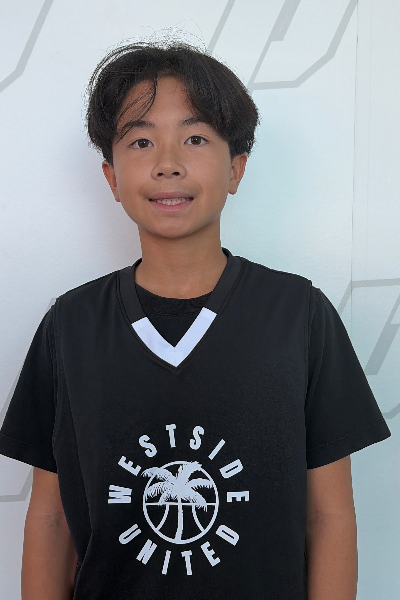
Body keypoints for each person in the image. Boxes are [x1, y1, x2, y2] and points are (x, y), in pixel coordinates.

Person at [0, 40, 391, 600]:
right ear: (111, 177)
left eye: (195, 138)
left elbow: (328, 516)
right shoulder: (70, 327)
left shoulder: (300, 316)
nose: (168, 162)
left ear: (236, 168)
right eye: (141, 141)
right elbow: (51, 520)